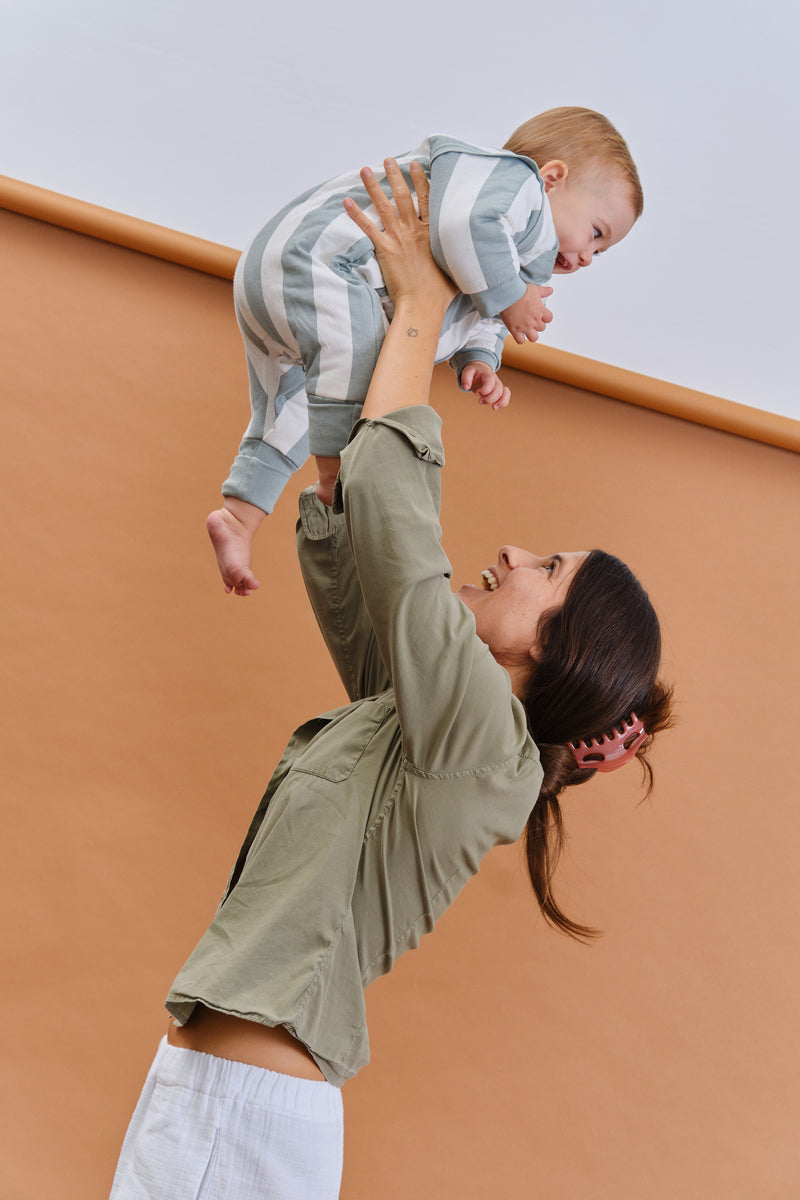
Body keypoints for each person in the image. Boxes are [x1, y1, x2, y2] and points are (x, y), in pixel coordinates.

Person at [110, 161, 671, 1200]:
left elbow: (402, 543)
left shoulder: (482, 749)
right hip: (217, 1090)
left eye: (545, 571)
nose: (510, 551)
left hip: (240, 1107)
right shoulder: (426, 717)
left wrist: (419, 305)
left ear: (557, 651)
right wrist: (355, 367)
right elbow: (362, 547)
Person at [208, 106, 642, 595]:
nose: (587, 257)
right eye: (597, 233)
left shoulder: (513, 258)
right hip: (324, 265)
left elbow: (482, 308)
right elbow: (464, 229)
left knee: (285, 414)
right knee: (353, 372)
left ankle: (238, 516)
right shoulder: (511, 183)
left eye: (600, 254)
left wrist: (481, 358)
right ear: (554, 178)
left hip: (272, 287)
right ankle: (335, 477)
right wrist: (512, 298)